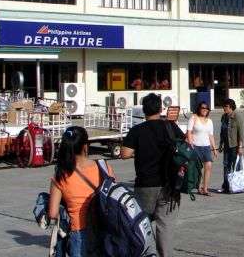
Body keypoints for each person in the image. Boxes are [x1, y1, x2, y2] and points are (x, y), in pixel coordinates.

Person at [121, 93, 185, 257]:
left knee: (141, 224)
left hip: (145, 184)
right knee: (166, 226)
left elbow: (125, 153)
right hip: (169, 185)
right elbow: (184, 146)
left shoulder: (137, 130)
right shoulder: (170, 127)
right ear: (161, 109)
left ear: (144, 111)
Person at [48, 126, 116, 256]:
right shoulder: (103, 167)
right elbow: (115, 194)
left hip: (79, 232)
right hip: (103, 229)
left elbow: (52, 213)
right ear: (85, 146)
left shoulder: (61, 176)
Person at [187, 101, 218, 196]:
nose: (204, 110)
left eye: (206, 108)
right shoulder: (194, 118)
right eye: (202, 108)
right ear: (199, 109)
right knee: (198, 168)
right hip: (196, 146)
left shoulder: (210, 121)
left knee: (208, 166)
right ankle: (198, 187)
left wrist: (214, 148)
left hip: (206, 146)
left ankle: (205, 189)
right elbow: (189, 132)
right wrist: (191, 143)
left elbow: (211, 135)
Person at [217, 98, 244, 193]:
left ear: (231, 107)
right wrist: (220, 145)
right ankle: (226, 186)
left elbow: (240, 133)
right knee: (226, 165)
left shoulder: (237, 117)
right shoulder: (223, 117)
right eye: (224, 106)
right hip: (227, 146)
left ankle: (237, 186)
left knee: (235, 166)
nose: (224, 108)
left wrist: (240, 147)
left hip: (235, 146)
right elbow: (222, 132)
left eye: (226, 106)